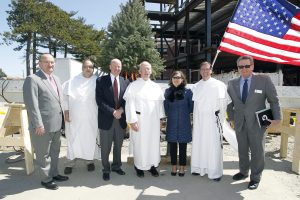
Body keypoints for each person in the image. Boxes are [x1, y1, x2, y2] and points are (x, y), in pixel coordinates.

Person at [227, 55, 281, 190]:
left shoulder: (264, 80)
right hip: (240, 123)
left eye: (246, 66)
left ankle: (255, 177)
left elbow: (273, 100)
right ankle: (243, 171)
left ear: (252, 66)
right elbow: (229, 104)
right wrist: (232, 118)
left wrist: (277, 117)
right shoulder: (232, 83)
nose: (244, 69)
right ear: (238, 68)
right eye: (241, 66)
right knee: (242, 149)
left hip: (258, 123)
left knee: (257, 151)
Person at [23, 53, 68, 190]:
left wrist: (65, 114)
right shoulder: (33, 79)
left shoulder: (56, 79)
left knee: (55, 151)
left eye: (52, 62)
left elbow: (59, 100)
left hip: (56, 123)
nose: (50, 65)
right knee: (44, 153)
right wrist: (38, 124)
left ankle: (54, 173)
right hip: (43, 125)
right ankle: (46, 179)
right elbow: (32, 104)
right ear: (39, 63)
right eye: (46, 62)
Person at [191, 61, 231, 182]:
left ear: (211, 70)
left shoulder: (219, 85)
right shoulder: (196, 86)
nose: (205, 71)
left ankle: (214, 171)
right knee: (200, 143)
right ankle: (199, 168)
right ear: (200, 71)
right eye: (202, 69)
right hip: (199, 121)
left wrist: (221, 119)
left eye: (207, 69)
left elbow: (224, 103)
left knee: (213, 145)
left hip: (214, 120)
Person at [123, 61, 165, 178]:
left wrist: (161, 119)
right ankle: (139, 166)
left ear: (151, 71)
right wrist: (132, 121)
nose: (147, 71)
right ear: (140, 71)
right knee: (140, 144)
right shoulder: (133, 86)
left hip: (153, 121)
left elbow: (160, 105)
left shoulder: (156, 87)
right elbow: (129, 105)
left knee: (152, 143)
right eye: (144, 69)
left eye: (148, 69)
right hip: (139, 120)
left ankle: (152, 166)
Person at [62, 59, 100, 175]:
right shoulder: (72, 81)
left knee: (90, 139)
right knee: (73, 139)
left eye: (91, 67)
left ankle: (89, 161)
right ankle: (70, 163)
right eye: (86, 67)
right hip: (74, 117)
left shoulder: (97, 81)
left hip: (91, 117)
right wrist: (66, 111)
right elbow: (64, 97)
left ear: (93, 69)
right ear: (82, 68)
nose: (88, 69)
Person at [96, 58, 129, 181]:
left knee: (118, 145)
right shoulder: (100, 80)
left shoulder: (126, 82)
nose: (117, 68)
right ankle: (105, 169)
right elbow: (99, 100)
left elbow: (127, 100)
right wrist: (113, 111)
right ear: (110, 67)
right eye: (114, 66)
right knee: (105, 146)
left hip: (120, 119)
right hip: (106, 118)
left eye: (119, 66)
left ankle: (116, 166)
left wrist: (121, 110)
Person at [164, 71, 193, 177]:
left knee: (183, 145)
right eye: (174, 77)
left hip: (184, 122)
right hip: (172, 122)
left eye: (179, 77)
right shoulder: (167, 92)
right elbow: (166, 107)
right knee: (172, 145)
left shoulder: (188, 92)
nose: (176, 79)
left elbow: (191, 107)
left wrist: (183, 114)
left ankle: (182, 166)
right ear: (171, 79)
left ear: (182, 79)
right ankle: (173, 166)